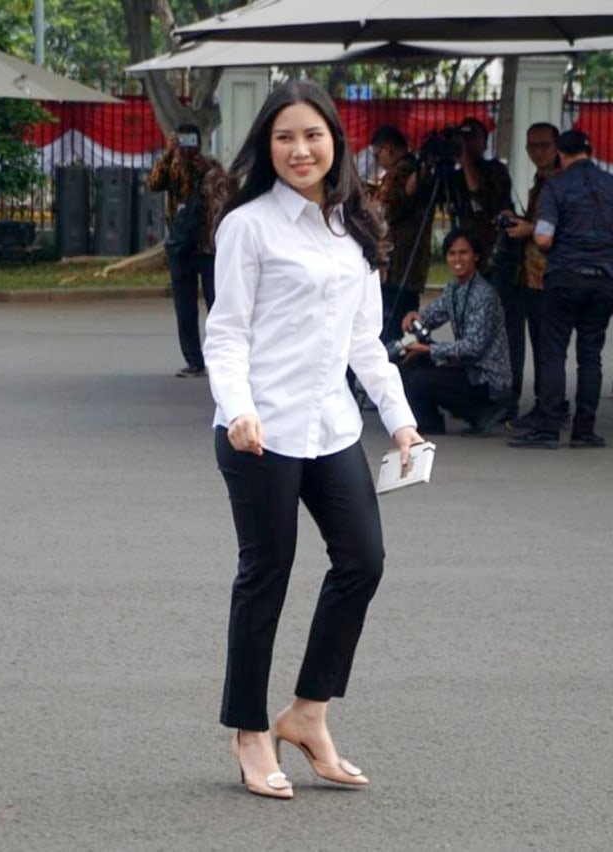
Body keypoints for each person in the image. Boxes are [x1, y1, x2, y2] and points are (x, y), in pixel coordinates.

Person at [203, 79, 422, 799]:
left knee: (363, 560)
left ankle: (307, 713)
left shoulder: (355, 227)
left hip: (330, 428)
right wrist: (237, 408)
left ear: (336, 141)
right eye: (284, 137)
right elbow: (227, 332)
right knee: (265, 575)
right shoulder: (248, 226)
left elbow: (367, 342)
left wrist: (398, 419)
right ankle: (249, 732)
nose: (301, 150)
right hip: (259, 431)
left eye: (313, 135)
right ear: (267, 147)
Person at [508, 129, 613, 449]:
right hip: (603, 280)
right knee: (591, 355)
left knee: (553, 352)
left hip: (565, 277)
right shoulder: (610, 184)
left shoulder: (556, 186)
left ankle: (549, 427)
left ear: (561, 155)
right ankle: (584, 430)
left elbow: (542, 238)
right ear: (589, 150)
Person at [399, 228, 512, 436]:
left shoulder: (484, 294)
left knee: (420, 380)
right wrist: (415, 317)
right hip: (467, 369)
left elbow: (473, 347)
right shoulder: (454, 288)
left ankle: (481, 412)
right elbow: (433, 315)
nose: (457, 259)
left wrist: (428, 349)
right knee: (410, 363)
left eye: (463, 253)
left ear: (476, 256)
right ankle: (429, 422)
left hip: (486, 377)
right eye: (452, 254)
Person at [451, 117, 523, 417]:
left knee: (503, 328)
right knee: (468, 327)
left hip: (498, 256)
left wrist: (466, 159)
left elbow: (477, 192)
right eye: (463, 140)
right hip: (469, 260)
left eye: (473, 139)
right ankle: (474, 393)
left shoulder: (495, 170)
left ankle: (507, 396)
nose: (468, 145)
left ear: (484, 140)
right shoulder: (453, 175)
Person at [147, 122, 228, 377]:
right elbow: (154, 183)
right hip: (182, 244)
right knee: (185, 307)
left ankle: (223, 358)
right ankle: (194, 360)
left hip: (207, 246)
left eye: (190, 140)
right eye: (182, 140)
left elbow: (222, 201)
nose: (188, 145)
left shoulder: (210, 168)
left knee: (217, 306)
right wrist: (169, 154)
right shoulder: (173, 168)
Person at [501, 123, 563, 428]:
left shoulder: (561, 181)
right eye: (532, 147)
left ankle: (550, 406)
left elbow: (560, 226)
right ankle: (547, 403)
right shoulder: (542, 179)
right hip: (532, 273)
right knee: (540, 344)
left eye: (543, 146)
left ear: (557, 147)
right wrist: (521, 221)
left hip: (550, 274)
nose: (537, 152)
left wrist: (529, 229)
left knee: (548, 347)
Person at [370, 125, 434, 341]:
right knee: (406, 320)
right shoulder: (417, 170)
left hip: (397, 260)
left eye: (376, 153)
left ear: (388, 149)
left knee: (391, 325)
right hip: (411, 261)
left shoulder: (401, 173)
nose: (377, 159)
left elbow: (386, 210)